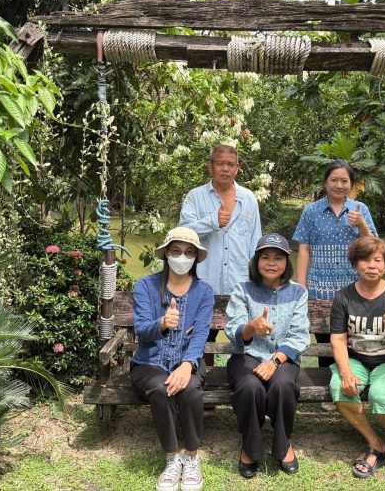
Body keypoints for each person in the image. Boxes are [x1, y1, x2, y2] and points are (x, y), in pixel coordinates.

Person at [130, 227, 214, 491]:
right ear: (166, 253)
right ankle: (172, 458)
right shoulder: (145, 286)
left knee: (190, 389)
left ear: (196, 257)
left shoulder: (204, 291)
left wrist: (187, 365)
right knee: (161, 387)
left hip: (188, 360)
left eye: (189, 252)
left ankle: (192, 457)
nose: (182, 257)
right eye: (176, 251)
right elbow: (141, 329)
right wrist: (162, 323)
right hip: (149, 361)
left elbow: (200, 333)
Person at [329, 237, 385, 482]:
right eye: (365, 260)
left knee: (380, 394)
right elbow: (338, 339)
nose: (372, 266)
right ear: (355, 264)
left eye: (378, 260)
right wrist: (346, 373)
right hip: (357, 360)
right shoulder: (344, 297)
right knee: (340, 388)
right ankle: (375, 444)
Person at [224, 233, 309, 478]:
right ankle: (250, 447)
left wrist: (274, 361)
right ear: (256, 261)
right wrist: (252, 326)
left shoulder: (298, 292)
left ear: (287, 262)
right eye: (265, 257)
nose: (271, 263)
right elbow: (233, 329)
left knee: (283, 385)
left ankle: (283, 444)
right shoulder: (243, 289)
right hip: (246, 354)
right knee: (250, 386)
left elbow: (299, 335)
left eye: (278, 258)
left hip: (282, 357)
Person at [180, 144, 262, 363]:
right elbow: (183, 234)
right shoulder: (195, 197)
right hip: (204, 282)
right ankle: (203, 378)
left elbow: (255, 244)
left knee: (244, 338)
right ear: (210, 166)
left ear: (237, 168)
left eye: (230, 164)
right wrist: (212, 222)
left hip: (241, 284)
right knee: (203, 337)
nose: (225, 169)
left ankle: (240, 378)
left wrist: (258, 283)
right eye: (220, 164)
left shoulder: (249, 199)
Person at [293, 159, 377, 366]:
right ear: (325, 183)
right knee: (324, 346)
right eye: (334, 180)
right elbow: (303, 249)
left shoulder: (360, 209)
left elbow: (374, 247)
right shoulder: (311, 211)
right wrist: (302, 285)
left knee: (354, 344)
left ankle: (352, 380)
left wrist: (362, 225)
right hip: (319, 289)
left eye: (344, 181)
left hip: (354, 289)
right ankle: (325, 384)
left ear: (351, 184)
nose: (339, 185)